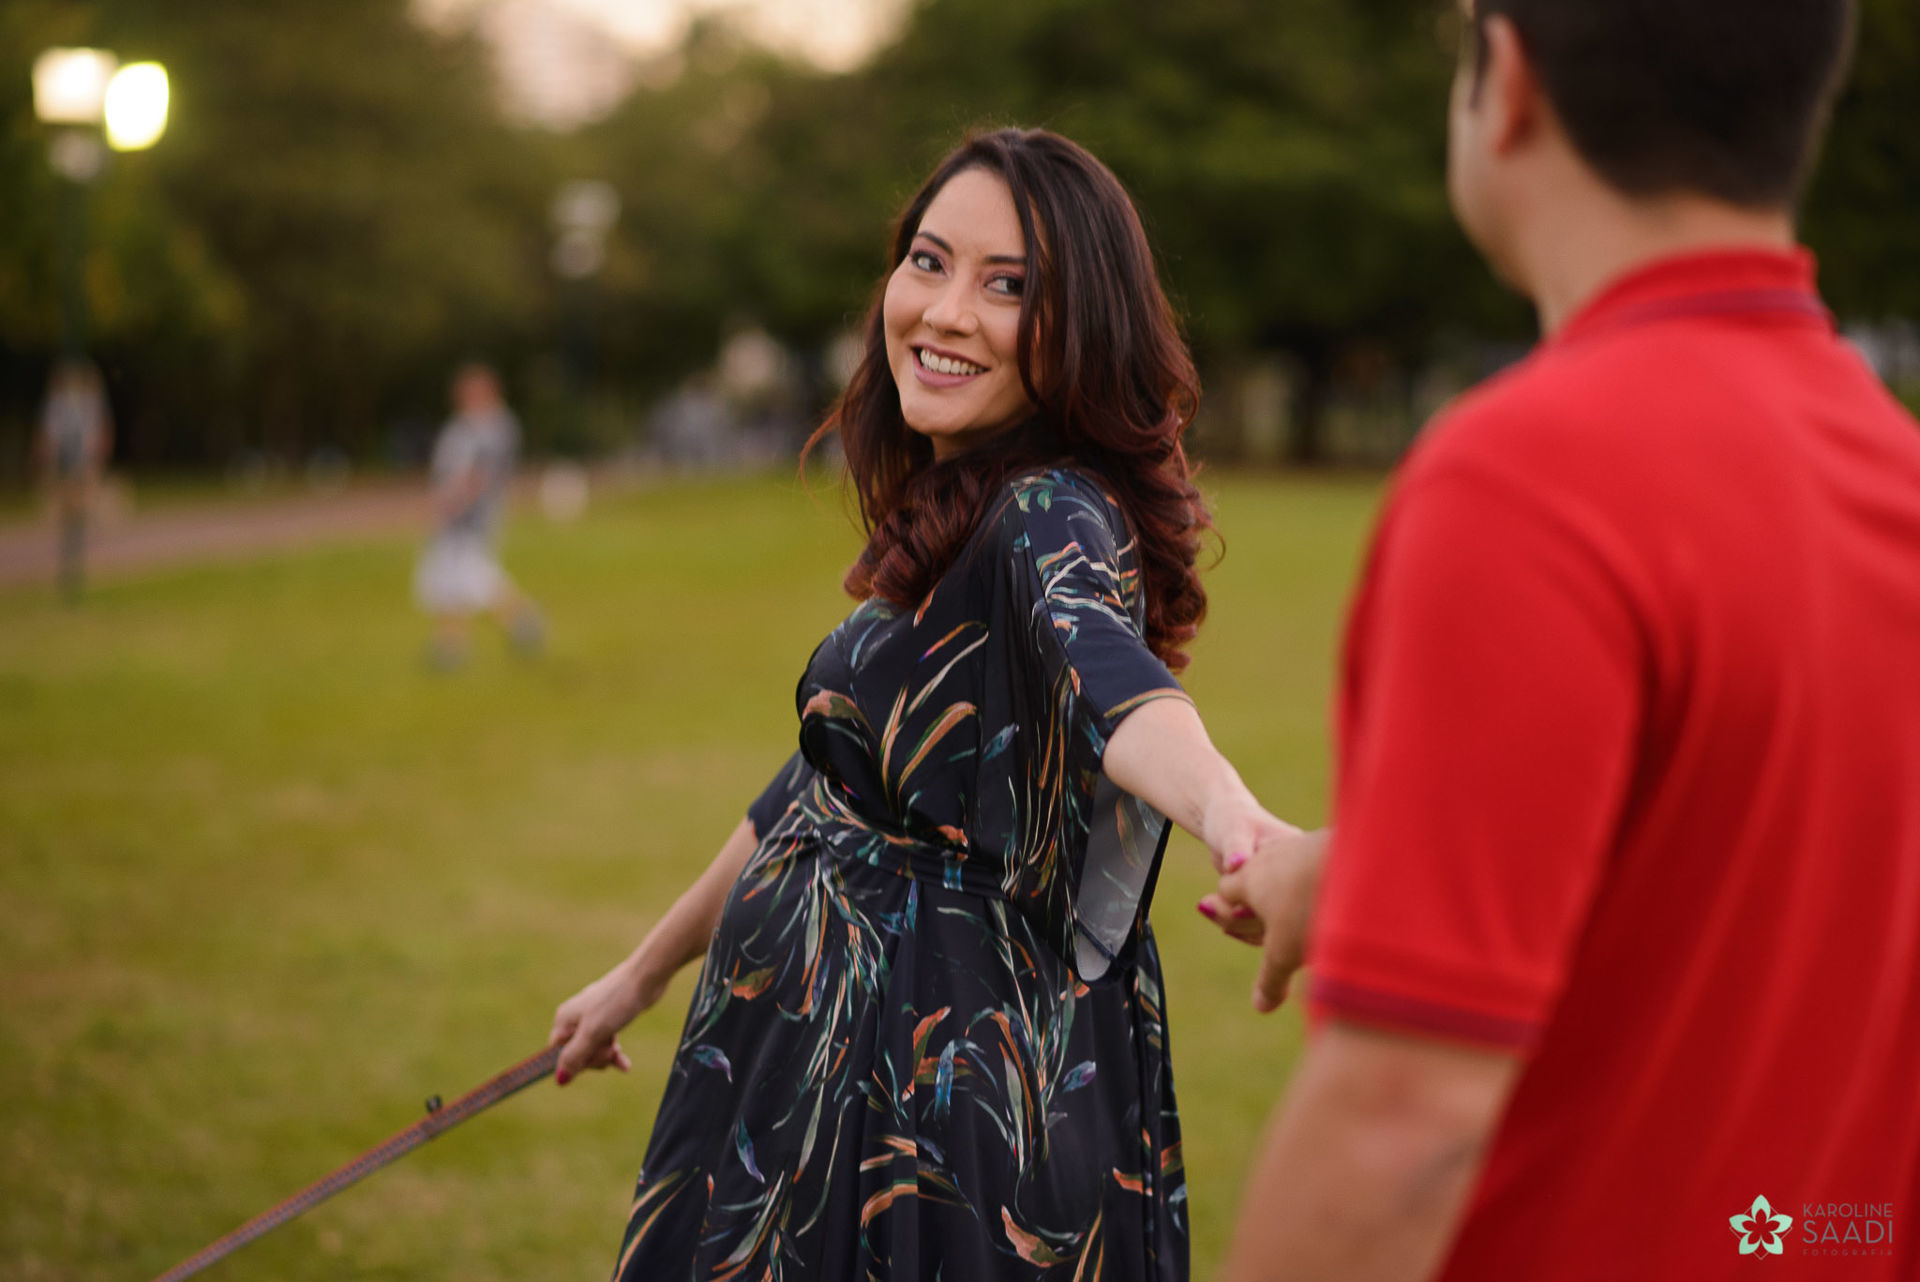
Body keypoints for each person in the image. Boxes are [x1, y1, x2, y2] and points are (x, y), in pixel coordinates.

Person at [1208, 1, 1920, 1278]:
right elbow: (1744, 852)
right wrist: (1369, 874)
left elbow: (1403, 1122)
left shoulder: (1529, 480)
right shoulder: (1894, 476)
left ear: (1511, 83)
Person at [549, 128, 1294, 1281]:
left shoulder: (1049, 512)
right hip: (812, 1049)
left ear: (1082, 324)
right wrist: (638, 977)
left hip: (930, 1095)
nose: (945, 312)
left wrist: (1244, 830)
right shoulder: (964, 504)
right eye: (929, 261)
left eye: (1009, 286)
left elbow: (1121, 689)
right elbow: (820, 790)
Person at [415, 363, 543, 667]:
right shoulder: (467, 425)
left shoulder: (494, 427)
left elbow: (480, 473)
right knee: (449, 581)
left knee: (473, 578)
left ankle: (524, 621)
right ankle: (451, 646)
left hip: (471, 518)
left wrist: (454, 500)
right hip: (458, 516)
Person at [35, 358, 113, 604]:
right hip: (66, 469)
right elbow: (48, 437)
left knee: (78, 515)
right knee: (67, 516)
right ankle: (69, 566)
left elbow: (101, 435)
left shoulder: (89, 404)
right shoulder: (57, 405)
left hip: (82, 468)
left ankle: (75, 564)